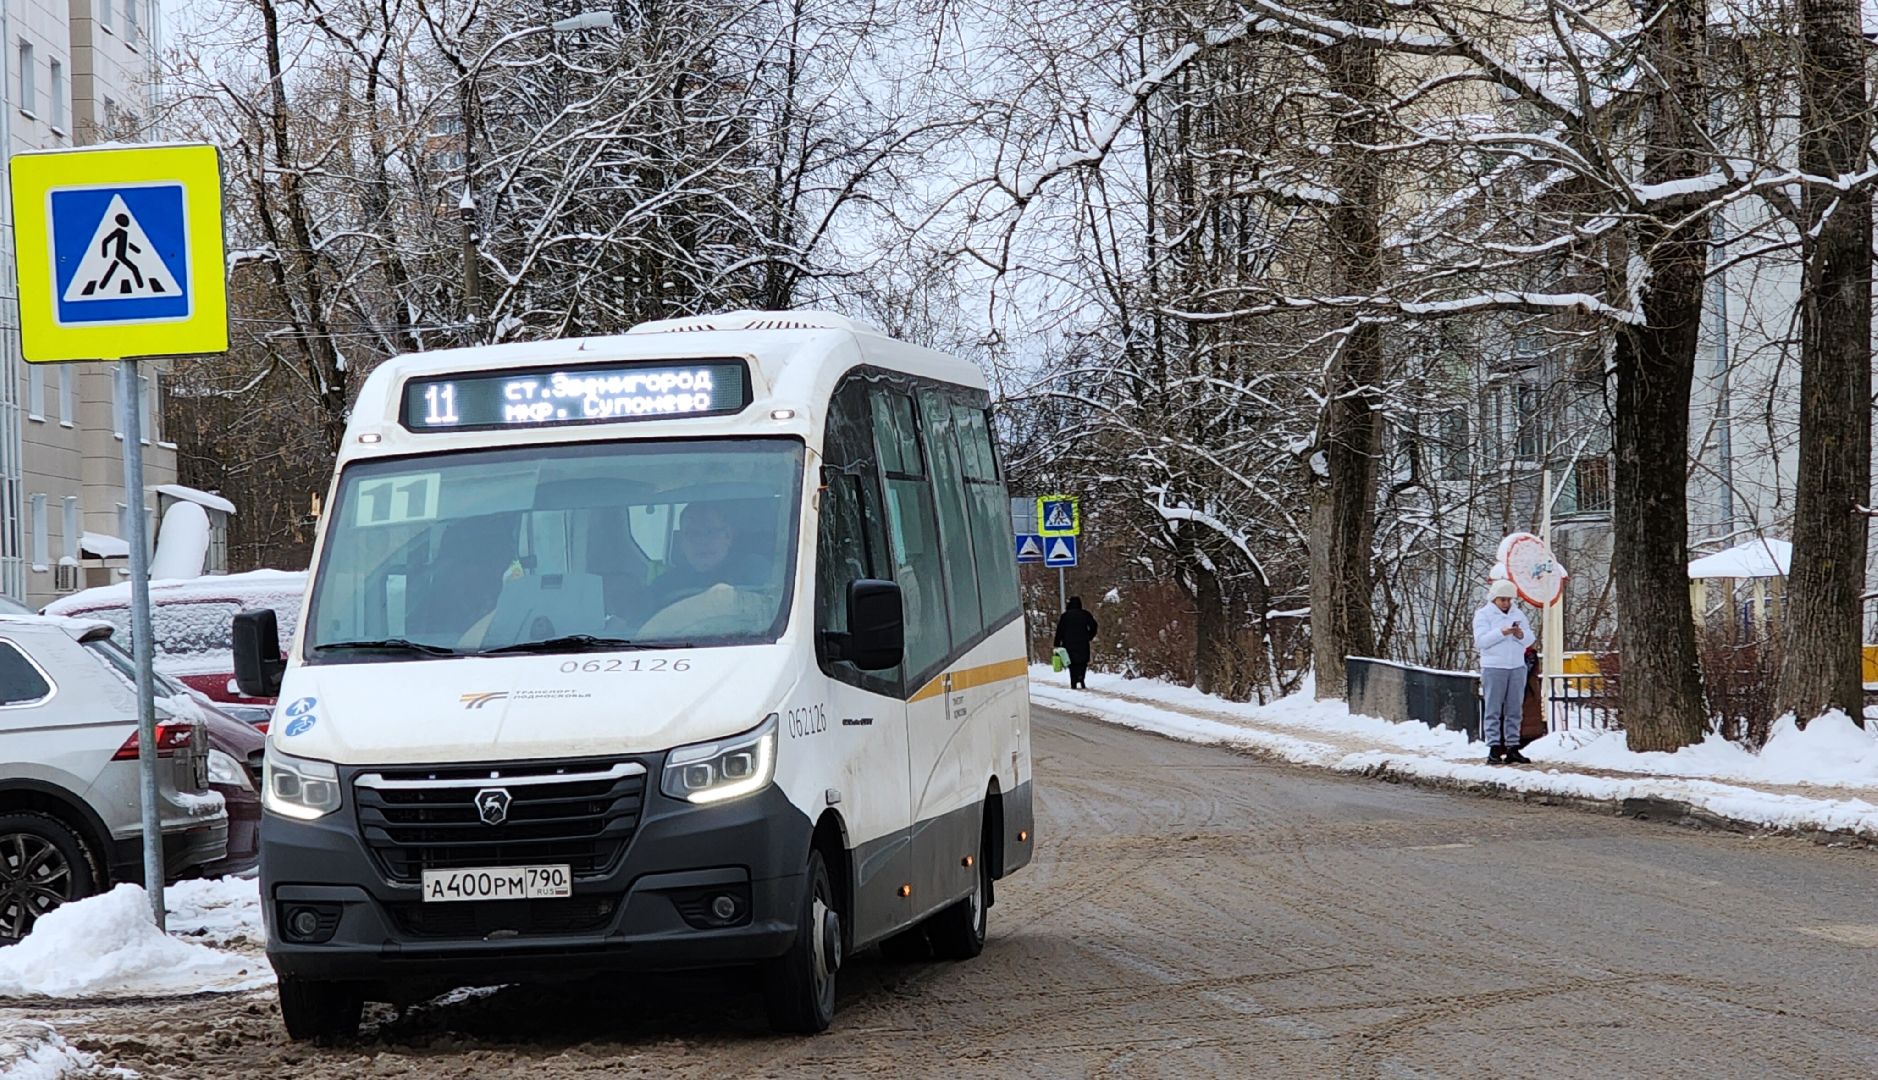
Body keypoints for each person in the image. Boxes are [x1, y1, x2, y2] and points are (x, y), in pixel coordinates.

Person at [649, 502, 764, 607]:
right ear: (681, 542)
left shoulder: (754, 573)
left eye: (710, 531)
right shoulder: (665, 586)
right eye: (692, 533)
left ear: (728, 536)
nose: (702, 541)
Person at [1474, 580, 1533, 765]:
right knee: (1493, 708)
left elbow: (1530, 638)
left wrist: (1519, 634)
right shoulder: (1483, 615)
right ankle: (1493, 747)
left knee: (1514, 708)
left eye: (1508, 600)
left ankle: (1513, 746)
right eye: (1502, 600)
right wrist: (1502, 632)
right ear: (1494, 599)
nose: (1506, 603)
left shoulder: (1518, 614)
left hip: (1516, 665)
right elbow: (1481, 641)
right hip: (1494, 666)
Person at [1053, 596, 1099, 690]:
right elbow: (1094, 625)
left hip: (1069, 643)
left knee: (1072, 663)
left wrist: (1057, 643)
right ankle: (1081, 679)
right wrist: (1090, 636)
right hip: (1083, 642)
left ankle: (1073, 681)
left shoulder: (1065, 616)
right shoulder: (1085, 614)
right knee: (1082, 662)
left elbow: (1060, 630)